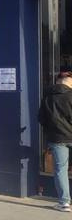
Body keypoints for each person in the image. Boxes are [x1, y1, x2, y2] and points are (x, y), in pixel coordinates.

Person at [39, 72, 72, 212]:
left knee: (61, 170)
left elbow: (41, 118)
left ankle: (64, 202)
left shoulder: (47, 98)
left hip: (57, 138)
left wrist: (50, 130)